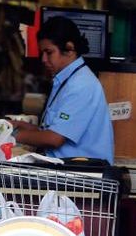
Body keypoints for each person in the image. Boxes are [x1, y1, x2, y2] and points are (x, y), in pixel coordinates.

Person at [9, 16, 114, 164]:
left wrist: (11, 136)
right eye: (42, 53)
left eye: (49, 52)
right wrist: (19, 126)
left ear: (69, 49)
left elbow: (54, 139)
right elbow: (52, 131)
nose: (43, 59)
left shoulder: (82, 84)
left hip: (80, 176)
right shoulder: (66, 79)